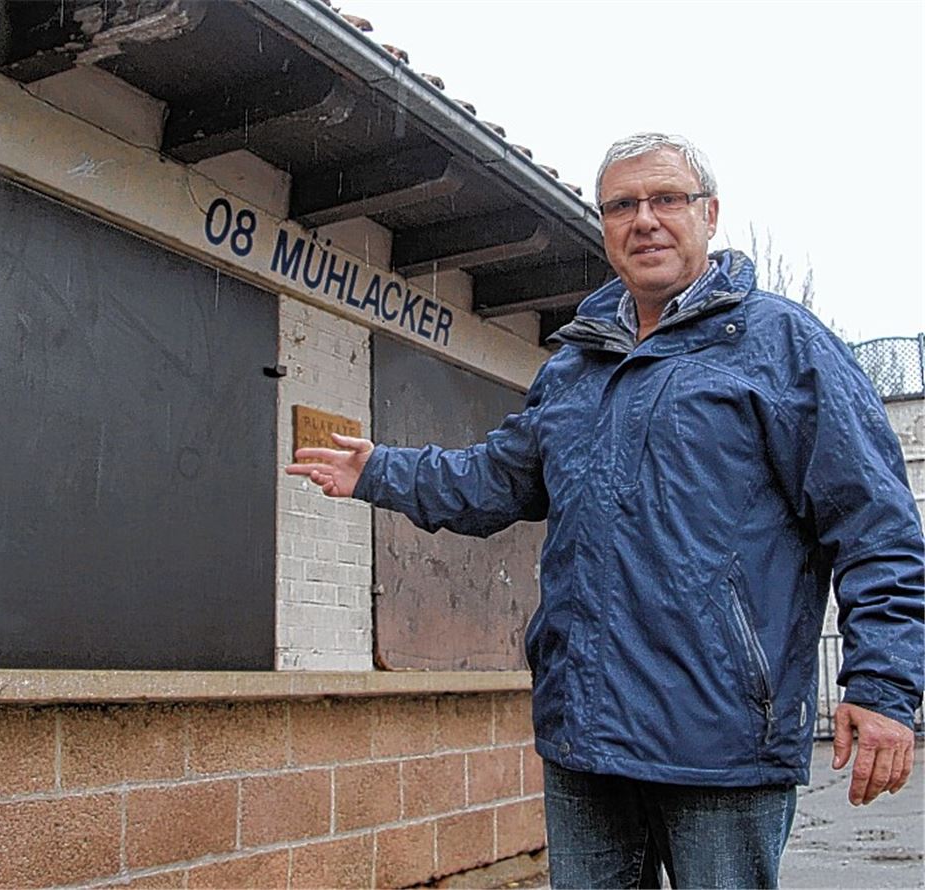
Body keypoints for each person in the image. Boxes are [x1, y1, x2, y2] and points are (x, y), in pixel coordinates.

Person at [286, 133, 924, 889]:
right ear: (604, 227)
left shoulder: (783, 347)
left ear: (710, 214)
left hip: (718, 739)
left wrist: (881, 688)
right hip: (584, 734)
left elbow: (876, 529)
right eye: (622, 205)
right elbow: (495, 479)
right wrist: (380, 470)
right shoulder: (575, 369)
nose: (644, 219)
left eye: (666, 200)